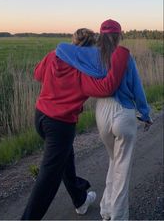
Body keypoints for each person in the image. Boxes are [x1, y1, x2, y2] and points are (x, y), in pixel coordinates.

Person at [21, 28, 130, 220]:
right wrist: (120, 59)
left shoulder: (53, 55)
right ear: (92, 46)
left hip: (40, 117)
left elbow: (38, 74)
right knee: (49, 178)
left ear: (74, 41)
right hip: (60, 125)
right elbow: (105, 88)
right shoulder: (83, 69)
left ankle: (80, 200)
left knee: (65, 160)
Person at [56, 19, 152, 221]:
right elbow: (137, 88)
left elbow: (63, 49)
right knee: (122, 167)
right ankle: (118, 216)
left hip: (102, 113)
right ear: (119, 36)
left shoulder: (92, 56)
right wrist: (144, 113)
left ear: (100, 35)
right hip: (124, 113)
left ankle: (106, 209)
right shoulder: (124, 56)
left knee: (113, 160)